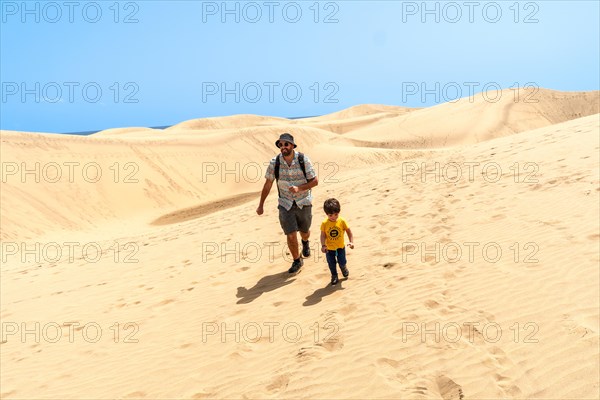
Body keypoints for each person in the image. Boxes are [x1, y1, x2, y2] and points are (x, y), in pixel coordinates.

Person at [256, 133, 318, 273]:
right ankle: (297, 260)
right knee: (290, 234)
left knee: (305, 231)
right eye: (280, 144)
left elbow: (315, 181)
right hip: (285, 203)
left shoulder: (303, 160)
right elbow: (268, 184)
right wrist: (261, 205)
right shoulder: (275, 163)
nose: (282, 147)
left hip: (303, 201)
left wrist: (299, 188)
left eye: (286, 144)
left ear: (292, 145)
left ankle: (305, 242)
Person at [320, 198, 354, 285]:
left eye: (336, 214)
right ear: (327, 214)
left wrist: (351, 242)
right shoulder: (324, 223)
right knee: (331, 263)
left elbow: (349, 232)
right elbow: (323, 235)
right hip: (329, 248)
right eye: (330, 215)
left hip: (340, 247)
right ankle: (334, 275)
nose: (333, 217)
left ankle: (343, 268)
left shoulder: (342, 221)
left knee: (342, 261)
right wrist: (323, 245)